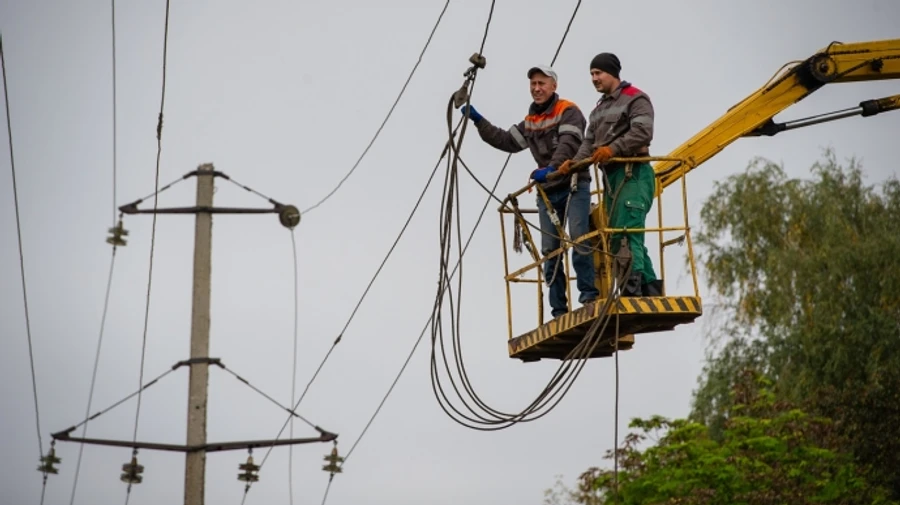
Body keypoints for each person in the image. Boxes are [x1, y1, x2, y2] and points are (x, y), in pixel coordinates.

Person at [460, 65, 599, 318]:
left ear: (553, 86)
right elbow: (506, 140)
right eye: (533, 84)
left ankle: (589, 297)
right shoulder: (531, 121)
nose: (536, 88)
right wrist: (478, 120)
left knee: (579, 238)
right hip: (547, 193)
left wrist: (552, 169)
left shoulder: (568, 111)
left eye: (541, 83)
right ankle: (559, 310)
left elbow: (568, 145)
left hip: (573, 185)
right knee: (550, 250)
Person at [559, 52, 662, 297]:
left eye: (598, 73)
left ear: (613, 73)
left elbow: (643, 131)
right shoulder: (598, 110)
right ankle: (650, 290)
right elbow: (589, 143)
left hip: (633, 173)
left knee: (626, 233)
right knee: (619, 233)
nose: (594, 78)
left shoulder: (636, 98)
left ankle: (630, 292)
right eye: (591, 74)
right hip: (612, 178)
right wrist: (573, 164)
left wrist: (612, 149)